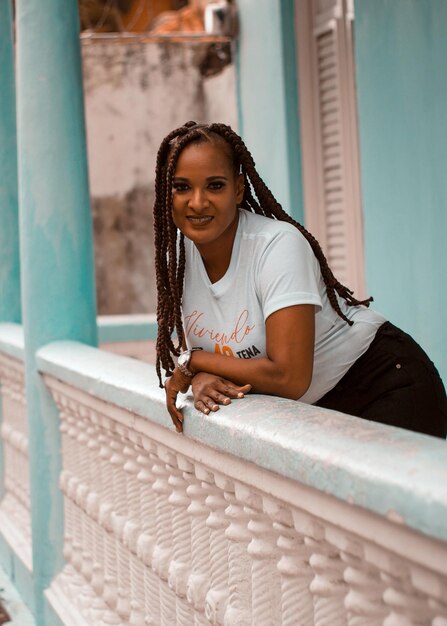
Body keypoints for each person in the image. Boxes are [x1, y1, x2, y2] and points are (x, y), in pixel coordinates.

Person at [153, 121, 447, 439]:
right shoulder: (179, 260)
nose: (197, 202)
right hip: (317, 407)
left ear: (238, 189)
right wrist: (197, 376)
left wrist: (193, 363)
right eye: (182, 187)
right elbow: (196, 352)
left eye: (215, 185)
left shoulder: (277, 246)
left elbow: (289, 377)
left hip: (380, 382)